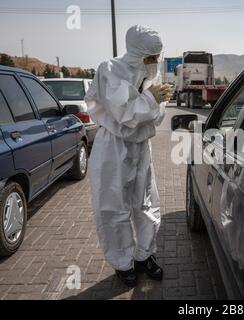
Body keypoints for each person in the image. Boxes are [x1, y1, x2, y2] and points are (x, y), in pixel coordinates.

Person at [85, 25, 172, 287]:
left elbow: (155, 116)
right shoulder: (110, 70)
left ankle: (144, 255)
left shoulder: (151, 75)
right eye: (149, 57)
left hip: (140, 147)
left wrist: (153, 103)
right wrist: (149, 100)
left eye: (157, 56)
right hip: (114, 147)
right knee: (113, 207)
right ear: (135, 53)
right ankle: (123, 263)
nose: (154, 62)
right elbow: (124, 113)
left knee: (146, 204)